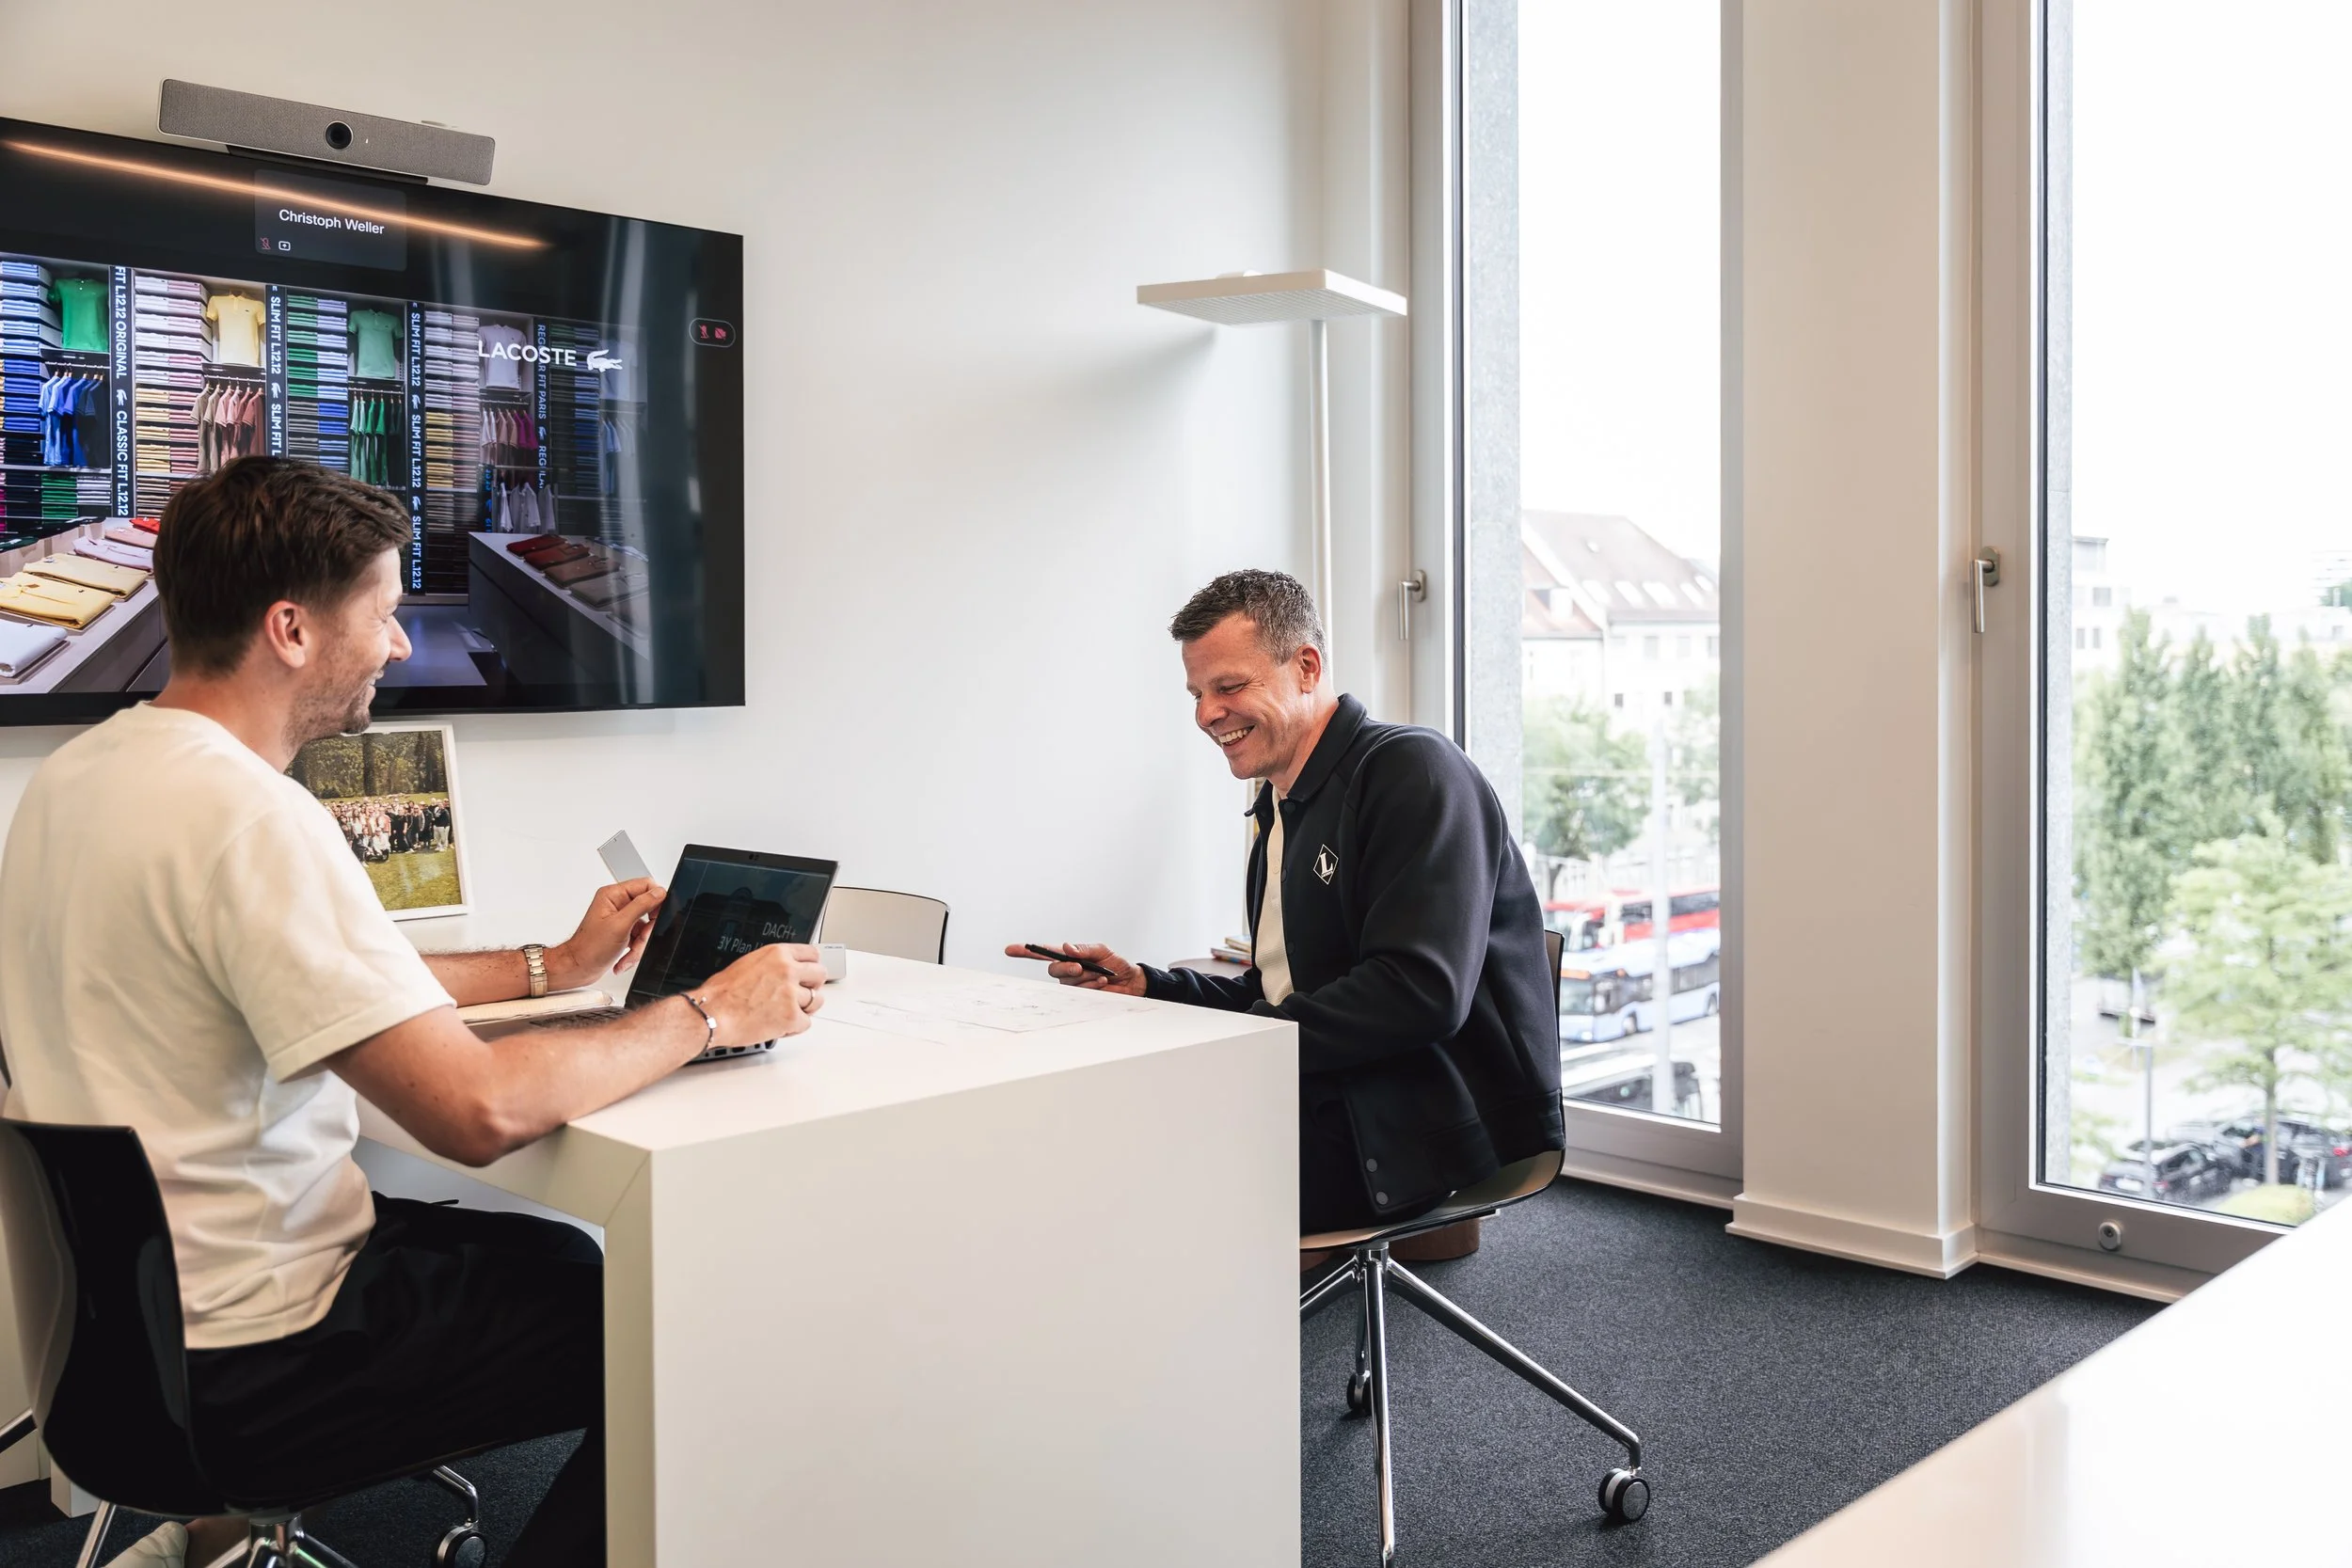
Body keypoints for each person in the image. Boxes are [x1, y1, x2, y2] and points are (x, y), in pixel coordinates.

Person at [0, 457, 827, 1568]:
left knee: (560, 1265)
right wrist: (710, 1011)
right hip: (262, 1356)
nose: (397, 644)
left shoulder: (81, 776)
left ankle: (202, 1534)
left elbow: (324, 981)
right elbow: (475, 1112)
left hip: (123, 1346)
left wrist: (557, 963)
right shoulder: (253, 817)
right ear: (291, 628)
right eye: (384, 614)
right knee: (668, 1318)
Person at [1008, 568, 1563, 1233]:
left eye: (1229, 685)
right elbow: (1275, 991)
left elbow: (1419, 992)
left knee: (1117, 1168)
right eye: (1197, 692)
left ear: (1306, 667)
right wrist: (1149, 986)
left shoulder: (1412, 771)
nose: (1206, 713)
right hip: (1337, 1093)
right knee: (1086, 1129)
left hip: (1419, 1126)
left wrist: (1239, 1045)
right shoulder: (1280, 805)